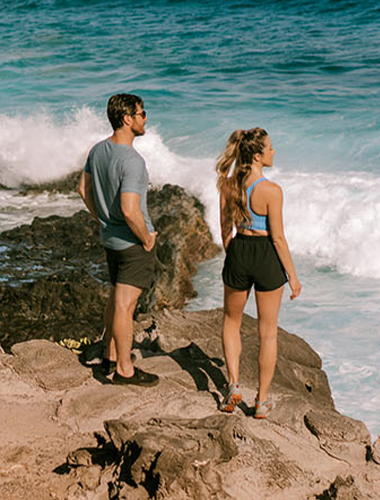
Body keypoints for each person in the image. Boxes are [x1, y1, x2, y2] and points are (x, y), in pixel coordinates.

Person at [216, 128, 301, 418]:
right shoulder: (272, 191)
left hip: (240, 250)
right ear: (257, 155)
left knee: (231, 322)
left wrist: (236, 255)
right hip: (266, 256)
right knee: (267, 332)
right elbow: (278, 238)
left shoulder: (227, 186)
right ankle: (261, 401)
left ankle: (233, 385)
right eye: (270, 148)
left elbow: (225, 231)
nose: (274, 152)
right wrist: (292, 276)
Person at [78, 93, 159, 387]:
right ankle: (125, 370)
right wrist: (147, 239)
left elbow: (82, 189)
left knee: (116, 298)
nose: (145, 118)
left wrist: (102, 218)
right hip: (131, 244)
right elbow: (129, 209)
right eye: (142, 113)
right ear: (127, 119)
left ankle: (111, 355)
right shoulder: (133, 161)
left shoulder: (98, 150)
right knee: (126, 305)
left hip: (110, 240)